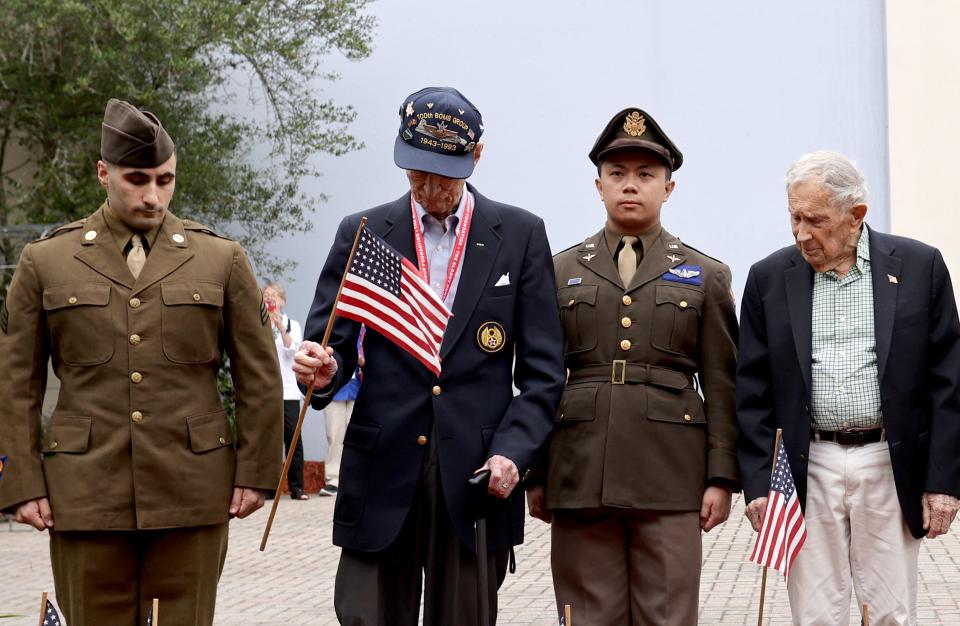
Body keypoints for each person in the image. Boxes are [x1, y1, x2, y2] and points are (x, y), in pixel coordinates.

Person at [0, 99, 282, 626]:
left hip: (192, 489)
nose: (153, 196)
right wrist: (20, 482)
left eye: (165, 179)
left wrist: (257, 472)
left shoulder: (221, 258)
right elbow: (14, 383)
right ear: (104, 173)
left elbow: (259, 377)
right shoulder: (47, 261)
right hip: (84, 493)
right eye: (137, 179)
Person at [293, 86, 565, 625]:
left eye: (443, 173)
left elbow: (542, 374)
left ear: (477, 157)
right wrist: (321, 373)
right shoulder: (364, 232)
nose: (429, 187)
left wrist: (515, 450)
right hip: (381, 468)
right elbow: (332, 349)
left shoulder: (520, 235)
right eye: (416, 171)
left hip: (476, 476)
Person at [526, 108, 739, 625]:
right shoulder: (558, 272)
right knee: (587, 615)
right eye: (618, 174)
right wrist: (537, 471)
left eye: (646, 175)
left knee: (666, 614)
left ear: (669, 188)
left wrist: (721, 476)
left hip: (671, 474)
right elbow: (540, 378)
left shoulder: (705, 275)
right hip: (580, 471)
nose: (631, 186)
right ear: (598, 184)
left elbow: (722, 383)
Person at [737, 150, 960, 625]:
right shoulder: (768, 279)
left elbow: (948, 382)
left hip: (888, 460)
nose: (801, 234)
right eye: (794, 217)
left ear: (856, 216)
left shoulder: (921, 266)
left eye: (815, 220)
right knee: (816, 613)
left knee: (889, 612)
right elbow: (751, 390)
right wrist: (758, 483)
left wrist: (942, 483)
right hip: (806, 463)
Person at [264, 281, 309, 500]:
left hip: (289, 392)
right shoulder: (258, 323)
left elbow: (294, 351)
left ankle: (297, 487)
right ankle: (270, 489)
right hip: (267, 393)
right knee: (269, 440)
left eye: (274, 295)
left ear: (282, 301)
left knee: (292, 440)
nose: (270, 298)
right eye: (266, 295)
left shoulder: (294, 325)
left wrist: (280, 327)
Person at [321, 327, 365, 497]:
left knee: (357, 436)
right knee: (335, 435)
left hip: (359, 389)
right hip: (337, 390)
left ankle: (356, 479)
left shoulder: (365, 330)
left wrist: (361, 360)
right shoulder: (336, 326)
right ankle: (333, 480)